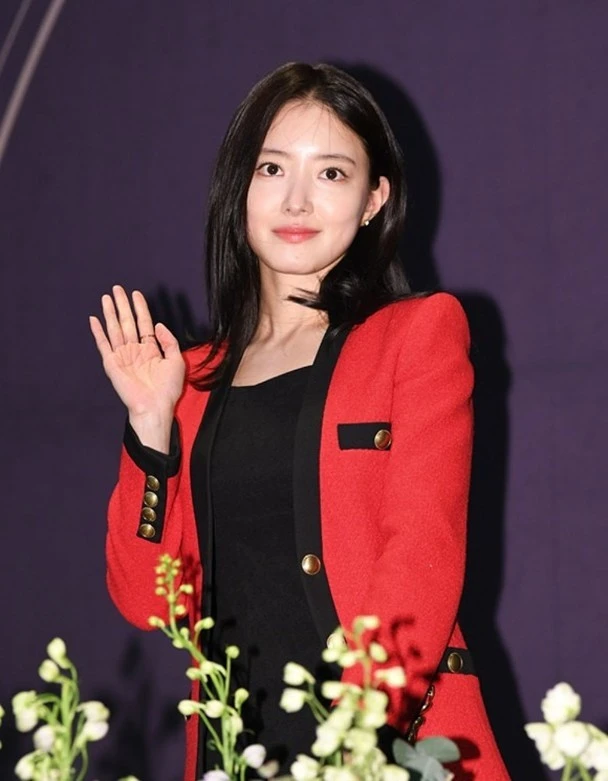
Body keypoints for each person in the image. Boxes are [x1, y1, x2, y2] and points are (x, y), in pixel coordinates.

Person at [90, 62, 510, 780]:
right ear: (239, 188)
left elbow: (423, 556)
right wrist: (150, 423)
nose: (296, 199)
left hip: (380, 743)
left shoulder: (416, 335)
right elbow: (147, 603)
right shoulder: (189, 377)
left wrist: (355, 741)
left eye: (332, 173)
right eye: (272, 168)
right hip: (236, 754)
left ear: (375, 199)